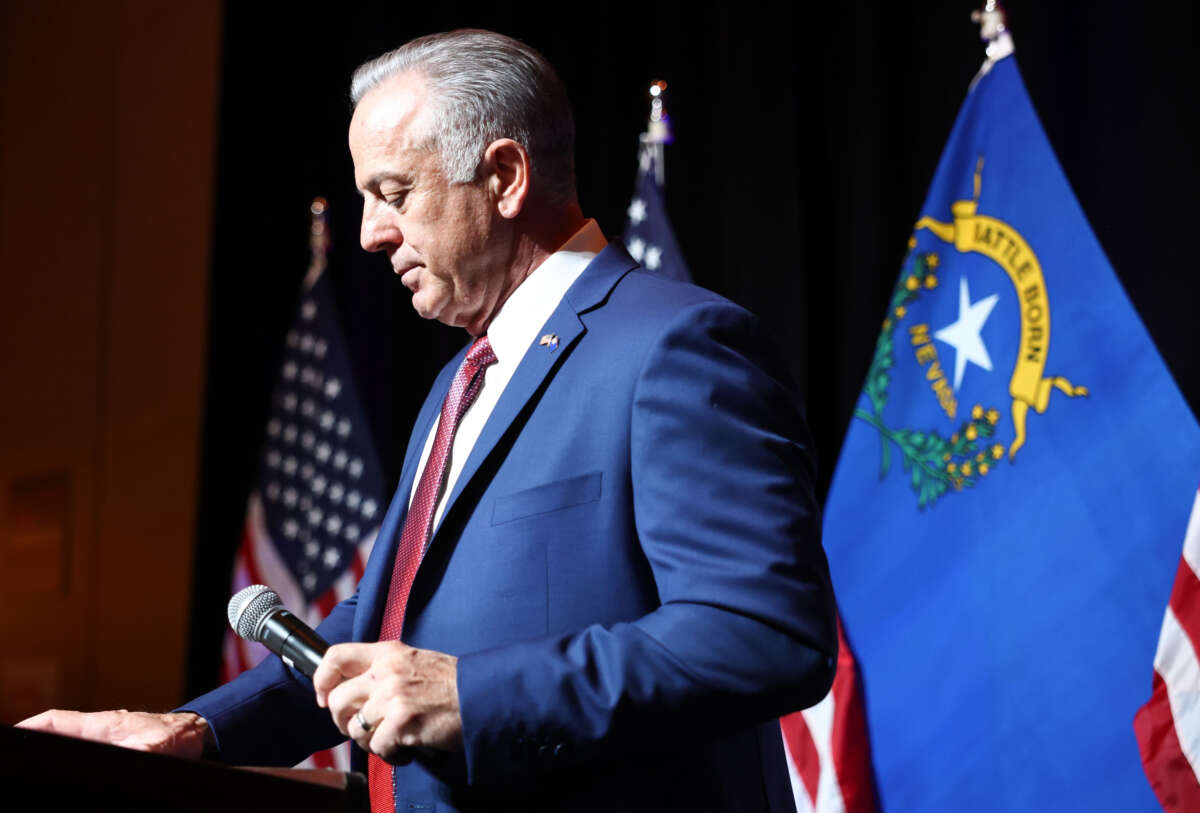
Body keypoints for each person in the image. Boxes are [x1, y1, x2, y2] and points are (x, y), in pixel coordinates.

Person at [20, 29, 837, 812]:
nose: (372, 234)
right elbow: (380, 627)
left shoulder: (676, 347)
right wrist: (197, 728)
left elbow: (761, 632)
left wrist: (467, 693)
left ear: (506, 176)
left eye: (395, 193)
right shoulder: (461, 378)